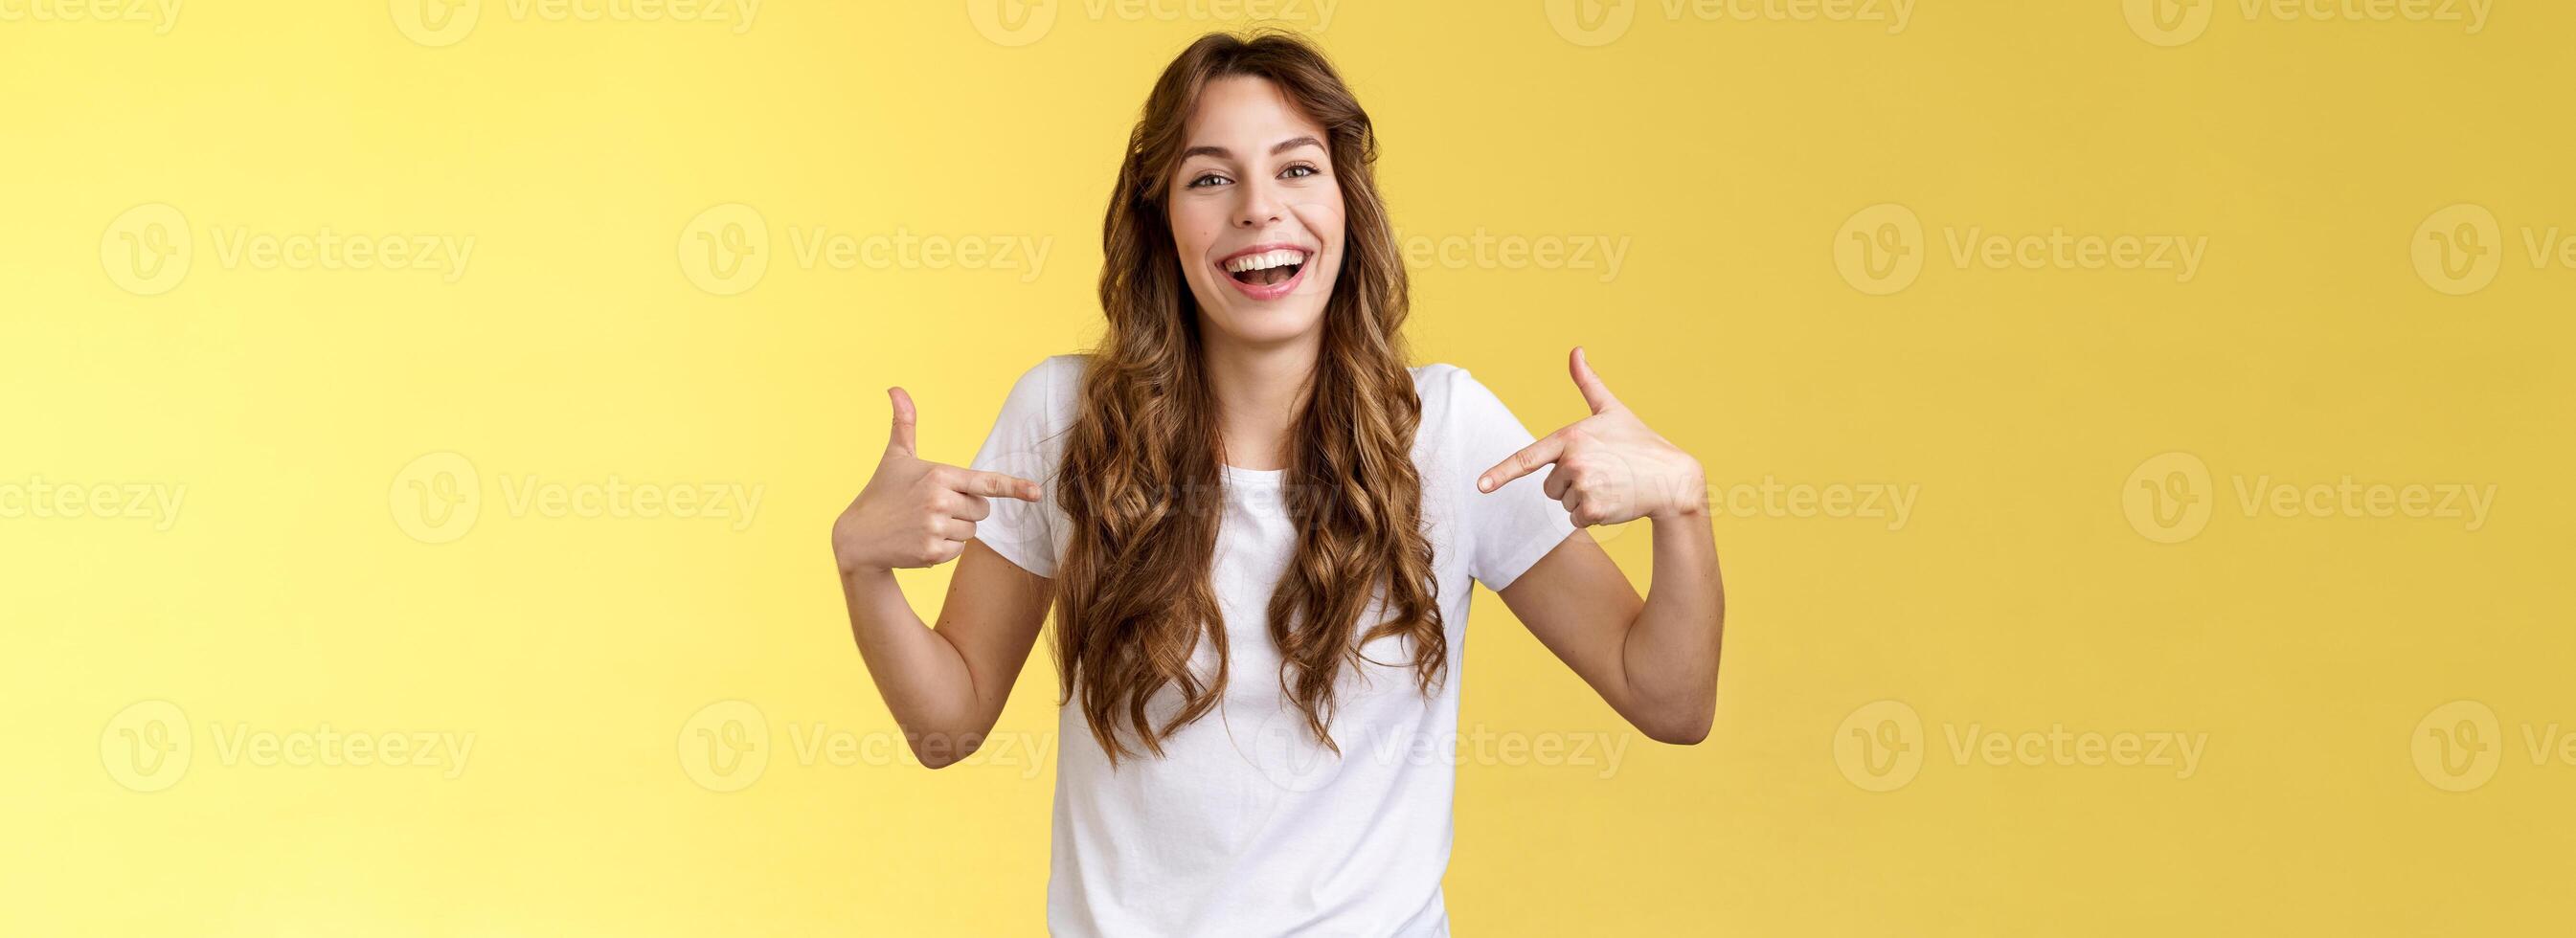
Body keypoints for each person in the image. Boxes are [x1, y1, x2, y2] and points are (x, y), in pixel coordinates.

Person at [828, 31, 1725, 937]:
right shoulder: (1065, 419)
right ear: (1161, 221)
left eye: (1296, 169)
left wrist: (1683, 506)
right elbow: (948, 730)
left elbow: (1670, 702)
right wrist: (862, 565)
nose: (1259, 210)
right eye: (1210, 178)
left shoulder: (1446, 433)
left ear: (1345, 202)